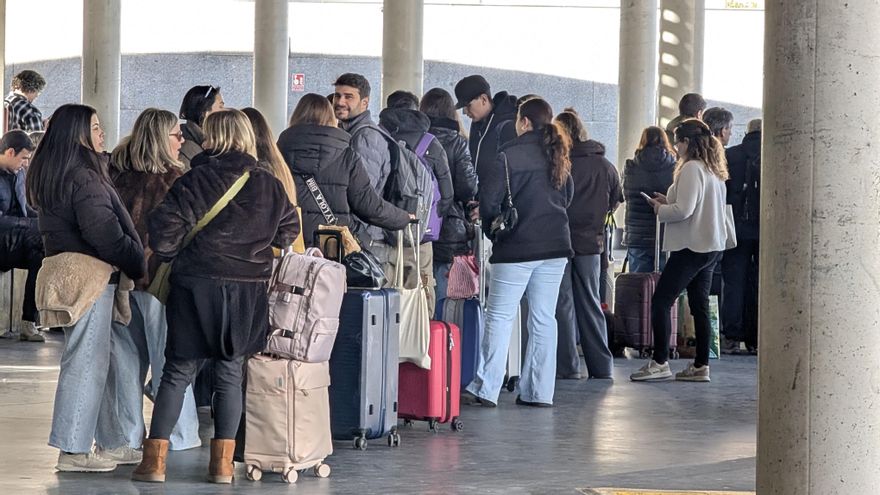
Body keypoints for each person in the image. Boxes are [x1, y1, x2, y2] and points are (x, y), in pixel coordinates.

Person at [133, 109, 298, 484]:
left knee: (177, 372)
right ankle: (222, 466)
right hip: (247, 291)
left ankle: (154, 463)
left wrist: (178, 254)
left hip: (196, 287)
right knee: (230, 373)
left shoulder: (195, 180)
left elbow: (164, 236)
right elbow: (287, 232)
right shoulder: (268, 184)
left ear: (213, 139)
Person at [27, 104, 146, 472]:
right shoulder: (83, 175)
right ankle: (74, 449)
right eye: (95, 127)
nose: (102, 133)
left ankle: (111, 443)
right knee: (86, 363)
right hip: (91, 277)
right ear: (77, 132)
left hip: (69, 275)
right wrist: (135, 259)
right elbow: (104, 232)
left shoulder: (53, 170)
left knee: (100, 362)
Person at [462, 97, 573, 408]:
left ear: (524, 122)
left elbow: (489, 202)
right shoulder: (559, 155)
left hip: (517, 247)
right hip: (556, 246)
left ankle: (486, 387)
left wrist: (491, 228)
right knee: (543, 319)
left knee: (500, 315)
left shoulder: (508, 156)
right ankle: (539, 392)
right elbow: (569, 196)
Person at [109, 108, 201, 453]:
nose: (182, 142)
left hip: (119, 279)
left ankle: (126, 437)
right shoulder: (178, 181)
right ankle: (178, 435)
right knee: (169, 362)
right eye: (177, 136)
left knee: (125, 365)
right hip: (162, 283)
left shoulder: (115, 175)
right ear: (162, 139)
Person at [630, 119, 734, 383]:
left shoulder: (690, 169)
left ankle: (660, 361)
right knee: (699, 305)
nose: (675, 146)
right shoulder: (713, 169)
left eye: (678, 140)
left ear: (688, 142)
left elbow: (685, 211)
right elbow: (698, 205)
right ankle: (701, 365)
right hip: (711, 244)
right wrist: (669, 201)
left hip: (691, 245)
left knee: (661, 301)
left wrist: (660, 209)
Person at [277, 93, 409, 250]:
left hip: (291, 247)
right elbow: (368, 205)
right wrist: (403, 218)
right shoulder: (347, 156)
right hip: (332, 248)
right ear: (331, 118)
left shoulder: (278, 154)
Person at [552, 109, 622, 380]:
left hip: (560, 240)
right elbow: (617, 198)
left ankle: (567, 367)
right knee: (591, 302)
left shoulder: (560, 162)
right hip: (592, 243)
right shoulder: (604, 165)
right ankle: (601, 366)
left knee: (563, 304)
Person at [379, 90, 455, 310]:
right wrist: (430, 217)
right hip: (419, 234)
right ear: (416, 110)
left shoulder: (379, 137)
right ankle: (421, 338)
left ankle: (387, 339)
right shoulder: (431, 142)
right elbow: (447, 192)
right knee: (421, 287)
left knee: (387, 287)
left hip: (384, 230)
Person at [420, 88, 478, 301]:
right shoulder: (456, 141)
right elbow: (467, 187)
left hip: (417, 224)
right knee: (445, 292)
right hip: (449, 226)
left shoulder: (416, 138)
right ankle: (443, 334)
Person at [332, 73, 397, 263]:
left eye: (348, 96)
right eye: (337, 95)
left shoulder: (366, 137)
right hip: (359, 236)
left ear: (365, 102)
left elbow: (361, 192)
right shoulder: (347, 132)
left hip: (367, 239)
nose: (340, 101)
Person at [721, 118, 761, 354]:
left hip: (734, 227)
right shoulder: (773, 153)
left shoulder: (731, 155)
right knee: (759, 283)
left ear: (746, 133)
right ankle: (756, 338)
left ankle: (732, 337)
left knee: (733, 282)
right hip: (765, 229)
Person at [0, 130, 43, 341]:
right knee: (41, 239)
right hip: (2, 241)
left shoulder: (18, 174)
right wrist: (32, 225)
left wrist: (45, 221)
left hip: (17, 240)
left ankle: (29, 321)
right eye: (23, 157)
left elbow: (24, 208)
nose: (26, 163)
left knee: (42, 254)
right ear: (9, 152)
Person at [622, 126, 677, 272]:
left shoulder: (630, 166)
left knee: (638, 287)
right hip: (666, 233)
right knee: (665, 286)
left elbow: (626, 194)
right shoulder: (675, 167)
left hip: (637, 235)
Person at [453, 75, 518, 177]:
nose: (465, 112)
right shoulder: (477, 121)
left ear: (483, 99)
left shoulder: (508, 124)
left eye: (468, 106)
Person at [177, 85, 225, 168]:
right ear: (204, 112)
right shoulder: (185, 148)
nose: (225, 111)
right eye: (221, 106)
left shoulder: (216, 141)